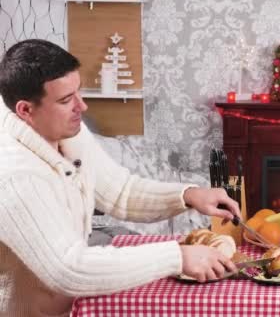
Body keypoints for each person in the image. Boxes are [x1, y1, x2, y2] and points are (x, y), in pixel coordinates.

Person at [0, 39, 241, 317]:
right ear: (25, 111)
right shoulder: (15, 176)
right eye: (66, 100)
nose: (83, 106)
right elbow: (69, 268)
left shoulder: (64, 130)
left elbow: (121, 193)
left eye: (78, 92)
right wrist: (177, 257)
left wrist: (188, 194)